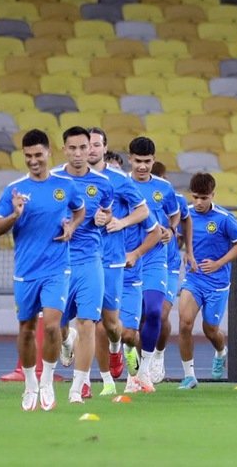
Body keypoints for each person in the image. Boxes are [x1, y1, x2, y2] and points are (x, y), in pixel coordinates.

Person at [0, 129, 85, 411]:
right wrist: (15, 214)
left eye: (38, 155)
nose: (34, 160)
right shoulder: (15, 190)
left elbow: (80, 210)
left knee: (53, 325)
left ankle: (46, 382)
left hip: (57, 268)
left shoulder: (65, 186)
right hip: (26, 271)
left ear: (48, 152)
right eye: (28, 156)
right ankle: (30, 383)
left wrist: (72, 226)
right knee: (26, 328)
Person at [52, 127, 115, 403]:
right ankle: (67, 341)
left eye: (83, 147)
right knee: (57, 325)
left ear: (91, 148)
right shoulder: (52, 179)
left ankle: (78, 388)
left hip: (90, 260)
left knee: (88, 322)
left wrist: (104, 219)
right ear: (64, 149)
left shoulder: (103, 183)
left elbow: (107, 212)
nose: (78, 153)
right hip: (58, 262)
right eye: (73, 148)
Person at [87, 130, 150, 395]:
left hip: (116, 263)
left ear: (105, 148)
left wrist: (121, 223)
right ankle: (98, 382)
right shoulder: (67, 179)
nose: (90, 149)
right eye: (87, 145)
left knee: (118, 330)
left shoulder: (119, 181)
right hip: (85, 260)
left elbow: (145, 214)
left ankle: (119, 350)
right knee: (87, 323)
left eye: (96, 144)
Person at [177, 173, 237, 389]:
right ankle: (189, 376)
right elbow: (179, 239)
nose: (199, 202)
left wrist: (219, 263)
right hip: (194, 279)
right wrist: (185, 252)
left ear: (212, 195)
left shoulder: (224, 218)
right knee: (185, 323)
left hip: (217, 283)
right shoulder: (185, 215)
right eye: (195, 197)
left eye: (204, 198)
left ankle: (220, 351)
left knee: (210, 330)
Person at [124, 137, 181, 393]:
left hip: (156, 257)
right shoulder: (121, 186)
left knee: (155, 311)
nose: (142, 166)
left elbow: (175, 215)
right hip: (128, 257)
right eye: (138, 161)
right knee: (132, 321)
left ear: (153, 160)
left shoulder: (164, 188)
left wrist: (171, 229)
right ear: (130, 159)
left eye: (147, 161)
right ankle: (131, 372)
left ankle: (144, 370)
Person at [148, 161, 190, 385]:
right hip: (144, 263)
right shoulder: (136, 194)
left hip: (170, 265)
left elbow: (186, 220)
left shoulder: (174, 198)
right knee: (143, 316)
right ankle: (141, 363)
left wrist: (188, 249)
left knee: (161, 314)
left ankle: (158, 354)